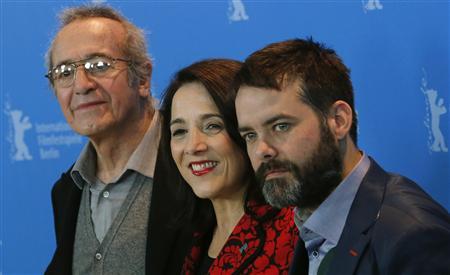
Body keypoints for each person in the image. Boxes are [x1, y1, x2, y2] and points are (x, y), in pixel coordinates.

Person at [234, 38, 450, 275]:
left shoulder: (411, 237)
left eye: (281, 126)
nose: (261, 150)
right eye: (250, 135)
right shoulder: (310, 222)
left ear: (339, 120)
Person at [44, 5, 181, 274]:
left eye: (99, 65)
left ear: (142, 78)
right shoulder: (67, 191)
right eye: (65, 72)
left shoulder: (193, 165)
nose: (82, 85)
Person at [158, 59, 299, 274]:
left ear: (247, 133)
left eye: (212, 126)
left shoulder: (295, 233)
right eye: (179, 131)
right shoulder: (184, 238)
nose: (193, 146)